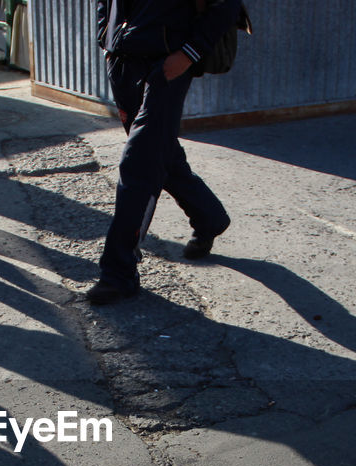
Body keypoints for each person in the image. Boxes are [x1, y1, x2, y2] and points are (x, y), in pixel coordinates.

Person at [88, 0, 242, 305]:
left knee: (139, 163)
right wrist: (105, 36)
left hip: (166, 65)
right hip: (121, 59)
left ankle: (118, 272)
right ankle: (209, 217)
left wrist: (188, 54)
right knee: (160, 153)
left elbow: (227, 4)